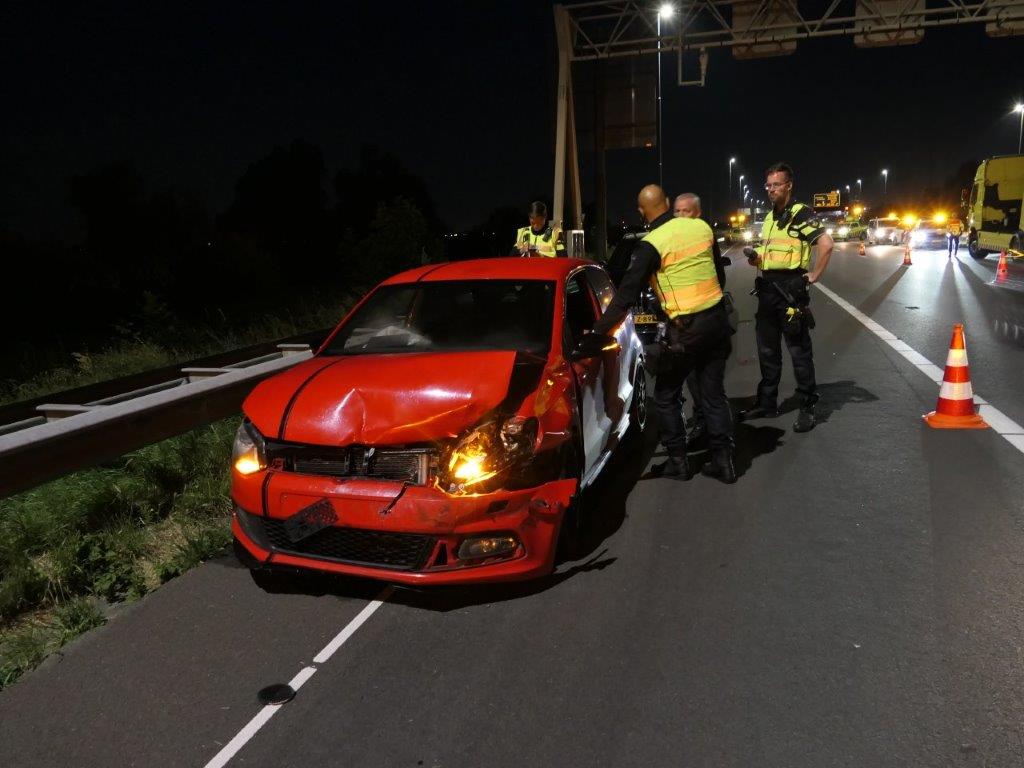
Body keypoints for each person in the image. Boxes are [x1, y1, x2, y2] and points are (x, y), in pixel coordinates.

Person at [586, 184, 736, 482]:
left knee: (666, 395)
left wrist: (596, 333)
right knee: (714, 395)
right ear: (667, 203)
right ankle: (725, 462)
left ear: (642, 212)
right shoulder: (701, 228)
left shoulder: (652, 243)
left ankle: (678, 463)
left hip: (687, 331)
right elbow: (719, 276)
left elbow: (626, 296)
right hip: (717, 324)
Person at [740, 162, 833, 433]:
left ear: (789, 186)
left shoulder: (800, 214)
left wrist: (814, 275)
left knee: (799, 352)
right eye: (768, 185)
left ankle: (807, 406)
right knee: (767, 352)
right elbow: (773, 252)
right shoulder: (769, 217)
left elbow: (826, 244)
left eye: (776, 184)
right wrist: (757, 258)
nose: (771, 189)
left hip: (791, 291)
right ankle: (767, 403)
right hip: (768, 290)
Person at [673, 193, 728, 446]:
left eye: (686, 211)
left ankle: (714, 438)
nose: (681, 216)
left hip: (703, 321)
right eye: (677, 211)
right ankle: (719, 445)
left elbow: (719, 275)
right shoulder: (670, 241)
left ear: (697, 213)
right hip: (693, 322)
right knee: (697, 382)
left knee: (708, 385)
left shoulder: (705, 237)